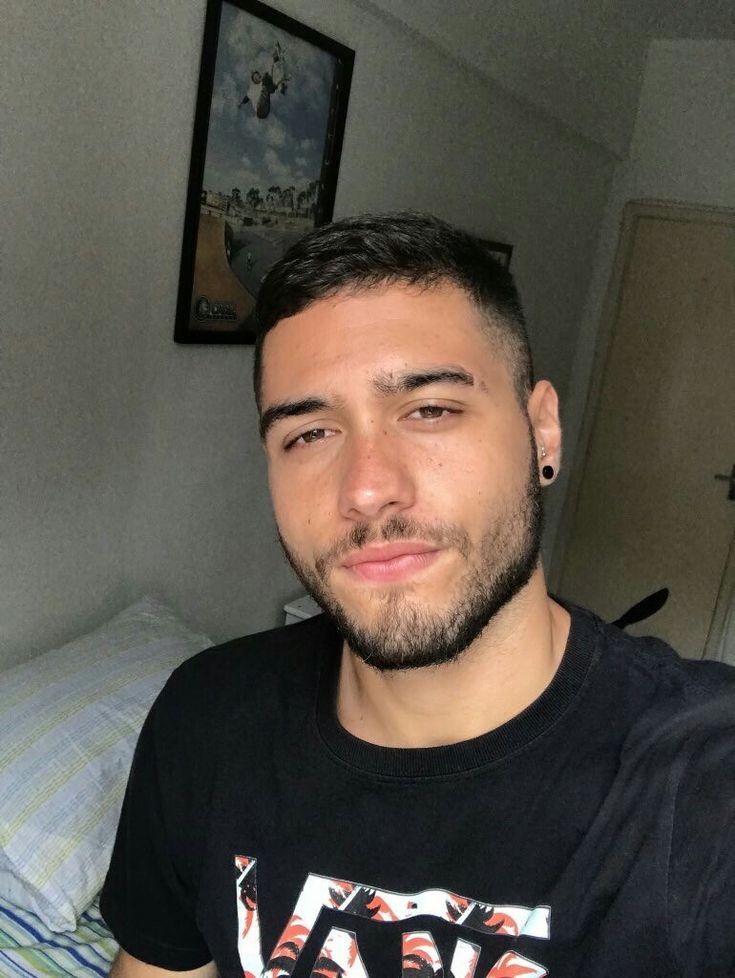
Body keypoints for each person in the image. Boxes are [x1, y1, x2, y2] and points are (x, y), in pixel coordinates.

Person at [101, 213, 735, 978]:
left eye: (429, 410)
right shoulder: (205, 720)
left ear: (542, 432)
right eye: (309, 434)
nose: (367, 489)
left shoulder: (704, 785)